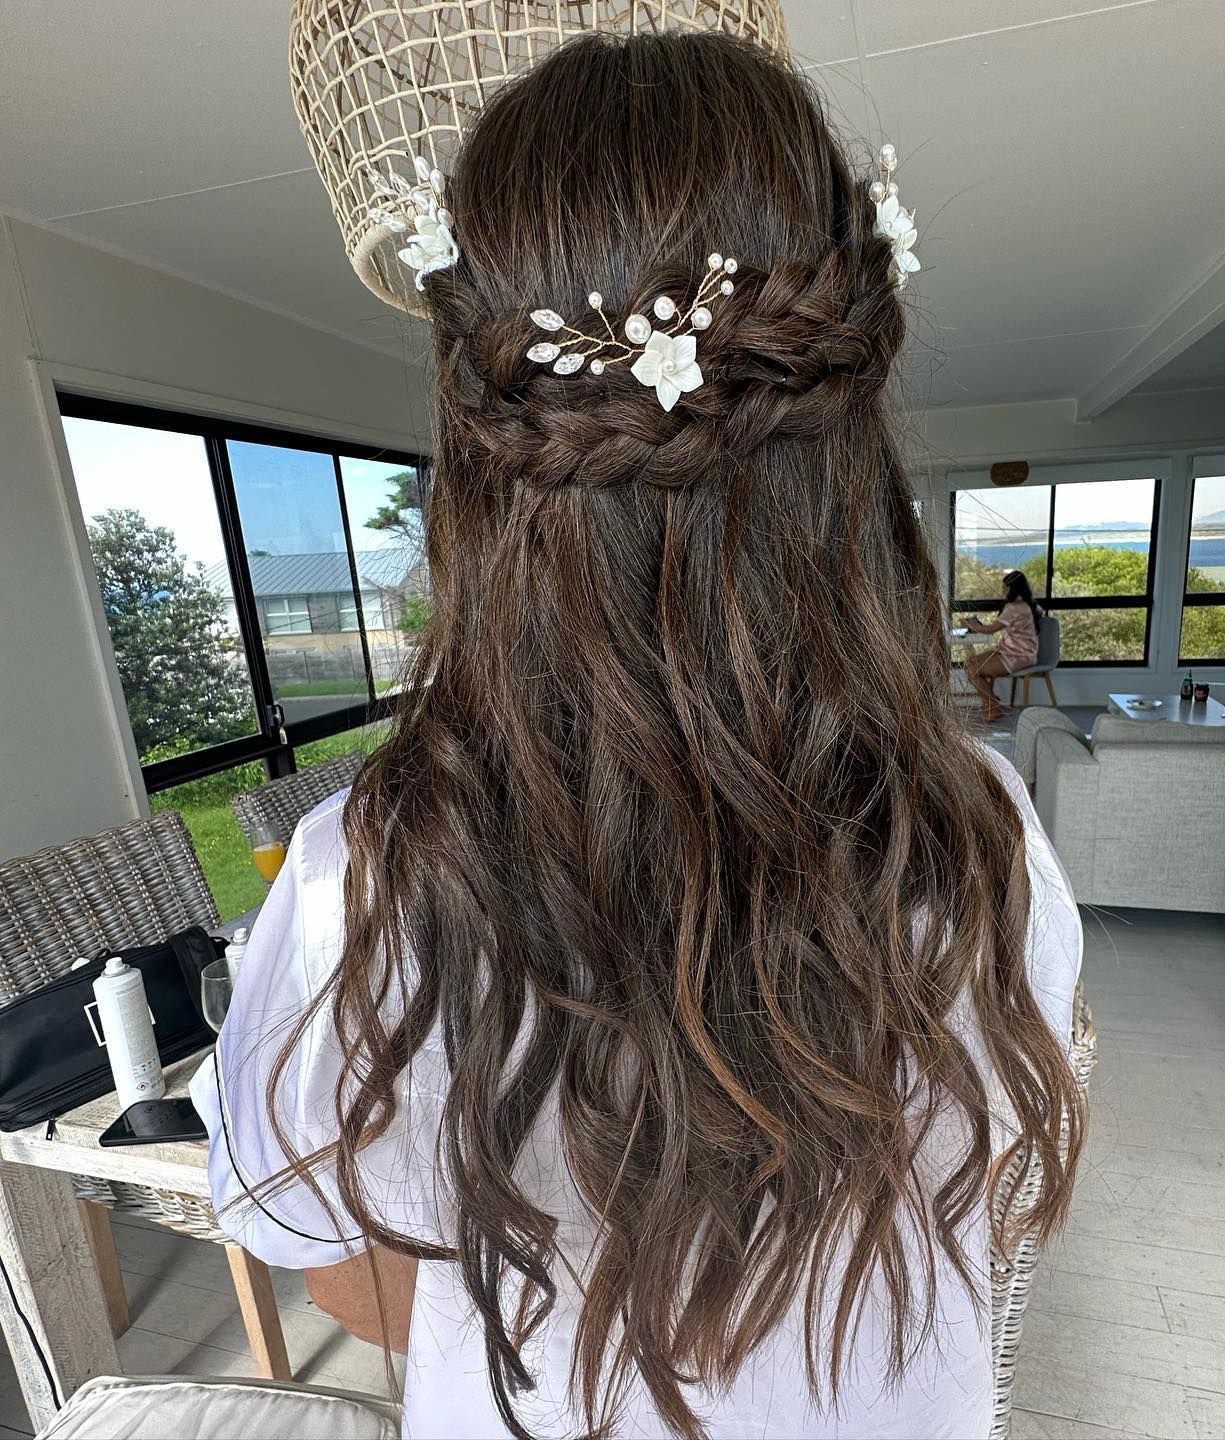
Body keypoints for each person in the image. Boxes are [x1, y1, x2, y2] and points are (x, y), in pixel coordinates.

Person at [193, 32, 1083, 1440]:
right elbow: (971, 1199)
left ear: (483, 466)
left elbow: (349, 1274)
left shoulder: (367, 876)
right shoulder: (979, 839)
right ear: (851, 453)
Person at [962, 569, 1042, 723]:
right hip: (1019, 653)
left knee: (972, 669)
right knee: (970, 662)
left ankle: (992, 706)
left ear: (1013, 588)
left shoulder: (1014, 607)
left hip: (1016, 657)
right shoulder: (1030, 605)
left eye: (1005, 587)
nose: (1003, 591)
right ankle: (992, 703)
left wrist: (969, 624)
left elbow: (990, 630)